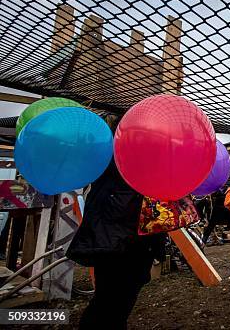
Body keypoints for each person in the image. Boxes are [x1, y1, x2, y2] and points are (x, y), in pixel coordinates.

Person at [67, 114, 163, 330]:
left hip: (139, 241)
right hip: (113, 240)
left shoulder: (148, 160)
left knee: (122, 301)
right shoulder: (107, 155)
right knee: (107, 303)